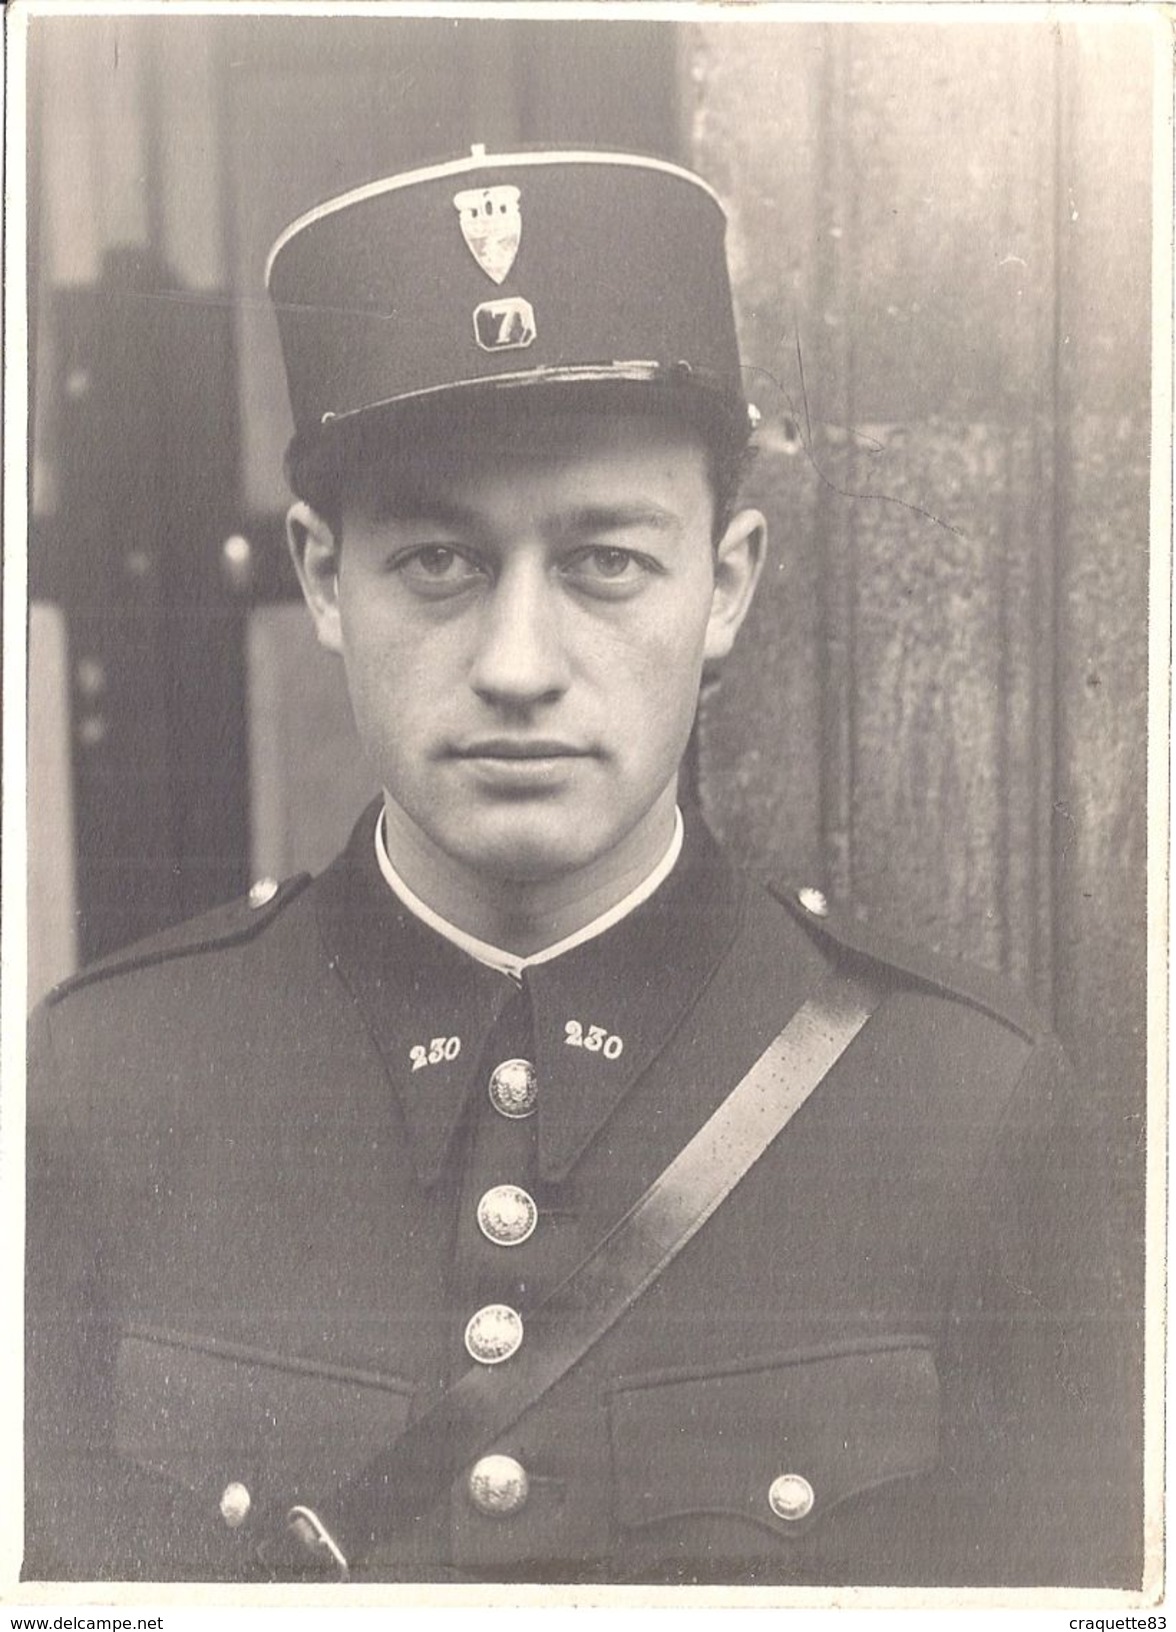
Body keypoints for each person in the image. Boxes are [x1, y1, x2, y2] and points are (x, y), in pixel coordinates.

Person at [25, 146, 1134, 1588]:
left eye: (607, 562)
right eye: (438, 563)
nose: (519, 666)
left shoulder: (964, 1103)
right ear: (317, 575)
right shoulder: (98, 1092)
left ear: (725, 582)